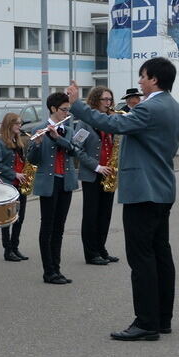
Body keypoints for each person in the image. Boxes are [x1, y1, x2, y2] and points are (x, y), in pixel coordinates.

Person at [66, 57, 179, 341]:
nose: (140, 81)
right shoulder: (175, 108)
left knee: (141, 257)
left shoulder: (150, 108)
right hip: (162, 189)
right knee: (160, 254)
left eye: (143, 77)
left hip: (143, 191)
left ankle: (146, 323)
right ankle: (162, 318)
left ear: (154, 79)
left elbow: (111, 123)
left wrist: (77, 103)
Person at [27, 92, 83, 285]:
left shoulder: (67, 130)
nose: (66, 113)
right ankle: (48, 271)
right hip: (48, 183)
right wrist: (36, 144)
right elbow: (32, 160)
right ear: (53, 109)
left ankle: (57, 270)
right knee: (48, 226)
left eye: (68, 110)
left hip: (65, 181)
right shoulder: (39, 128)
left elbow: (74, 150)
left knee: (59, 227)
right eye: (64, 110)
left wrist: (57, 137)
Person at [74, 87, 120, 266]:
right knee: (91, 215)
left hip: (110, 173)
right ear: (95, 100)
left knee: (105, 215)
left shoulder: (110, 120)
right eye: (105, 100)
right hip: (92, 175)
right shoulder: (85, 122)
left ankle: (101, 249)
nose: (108, 103)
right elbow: (76, 148)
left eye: (110, 99)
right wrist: (97, 166)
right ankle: (91, 253)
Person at [0, 113, 30, 262]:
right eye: (17, 123)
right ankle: (8, 250)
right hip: (6, 185)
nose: (20, 126)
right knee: (7, 218)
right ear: (9, 124)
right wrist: (14, 174)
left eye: (20, 123)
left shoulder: (18, 141)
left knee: (20, 217)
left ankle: (15, 247)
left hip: (20, 184)